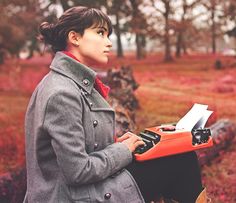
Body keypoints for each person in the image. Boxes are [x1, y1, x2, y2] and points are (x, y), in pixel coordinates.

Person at [24, 6, 208, 203]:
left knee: (176, 154)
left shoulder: (65, 82)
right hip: (73, 196)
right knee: (180, 160)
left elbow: (83, 147)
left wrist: (120, 144)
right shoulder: (62, 93)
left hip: (81, 190)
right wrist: (123, 150)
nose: (109, 43)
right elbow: (77, 171)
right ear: (74, 38)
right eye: (100, 33)